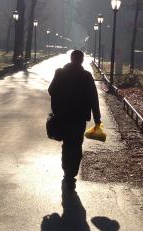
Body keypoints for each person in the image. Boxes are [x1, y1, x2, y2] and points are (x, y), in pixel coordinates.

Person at [48, 50, 101, 190]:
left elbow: (51, 90)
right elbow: (93, 98)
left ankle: (67, 173)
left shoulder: (60, 73)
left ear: (71, 59)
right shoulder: (86, 76)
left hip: (63, 116)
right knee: (76, 145)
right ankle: (72, 174)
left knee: (66, 145)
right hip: (79, 117)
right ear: (82, 60)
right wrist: (97, 119)